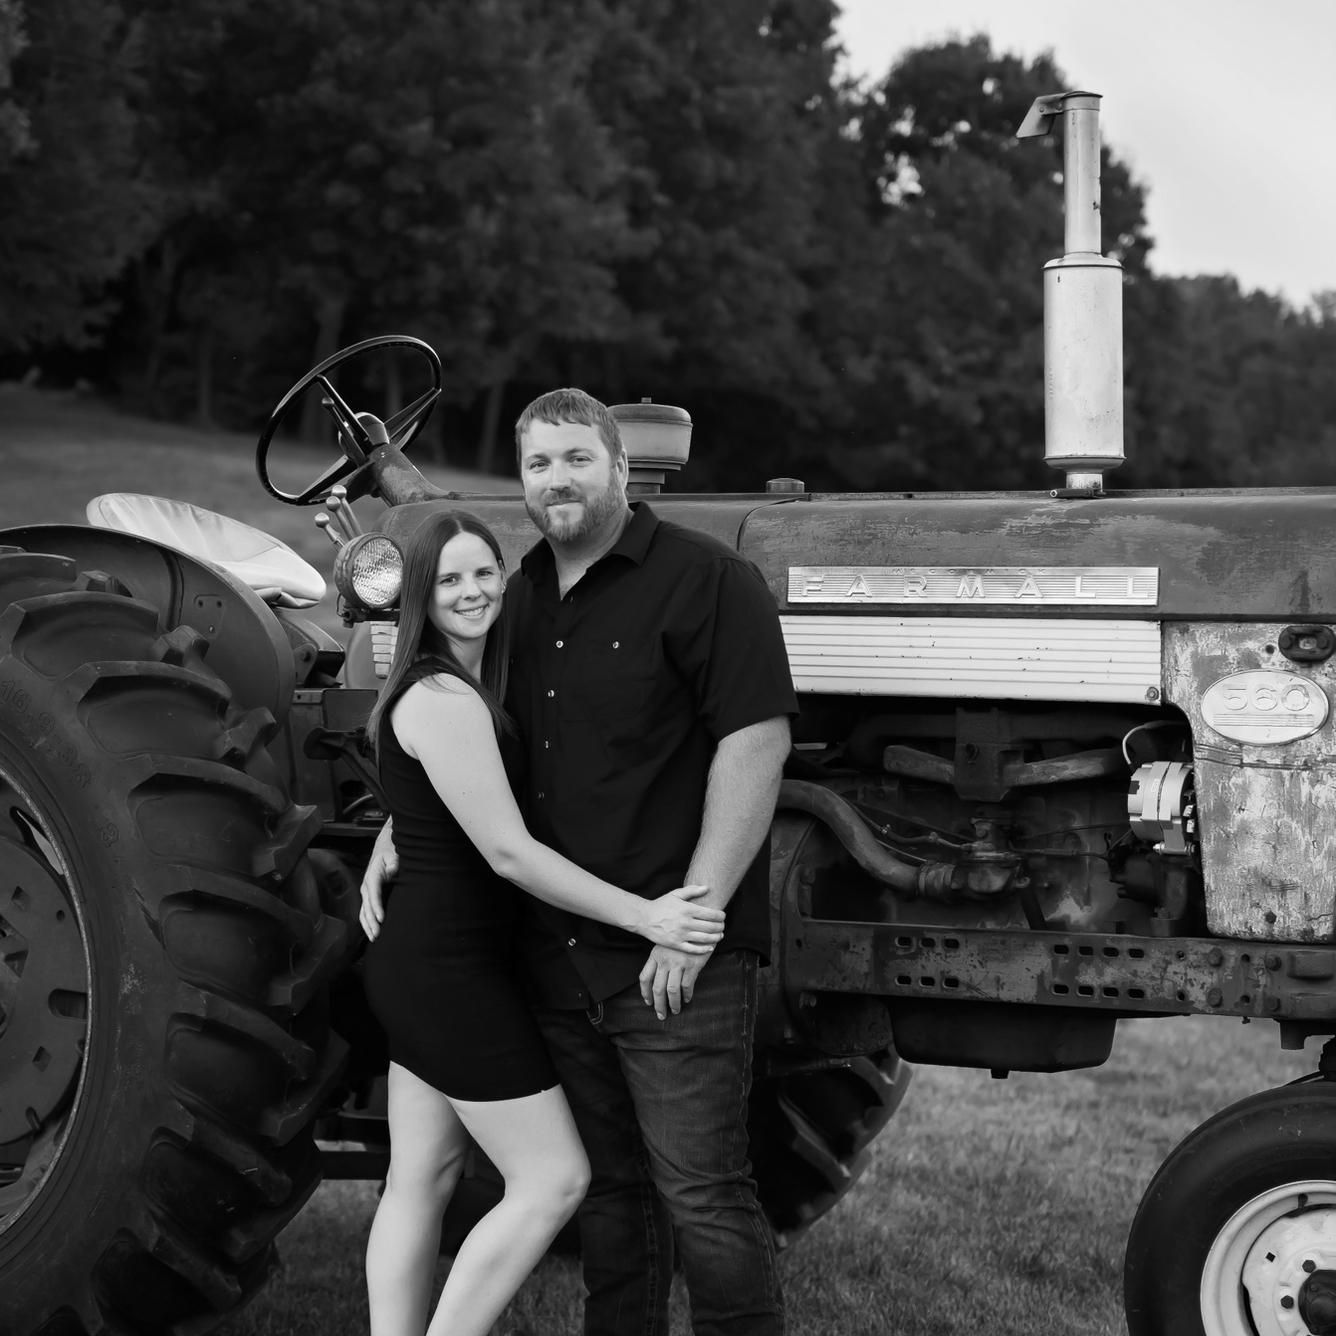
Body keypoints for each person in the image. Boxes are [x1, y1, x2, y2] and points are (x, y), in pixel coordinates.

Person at [363, 389, 796, 1335]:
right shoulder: (515, 597)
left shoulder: (707, 580)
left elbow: (757, 740)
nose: (556, 480)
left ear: (620, 467)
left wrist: (692, 919)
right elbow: (468, 752)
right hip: (556, 956)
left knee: (702, 1192)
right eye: (538, 464)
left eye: (576, 459)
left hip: (670, 953)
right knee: (610, 1194)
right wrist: (403, 829)